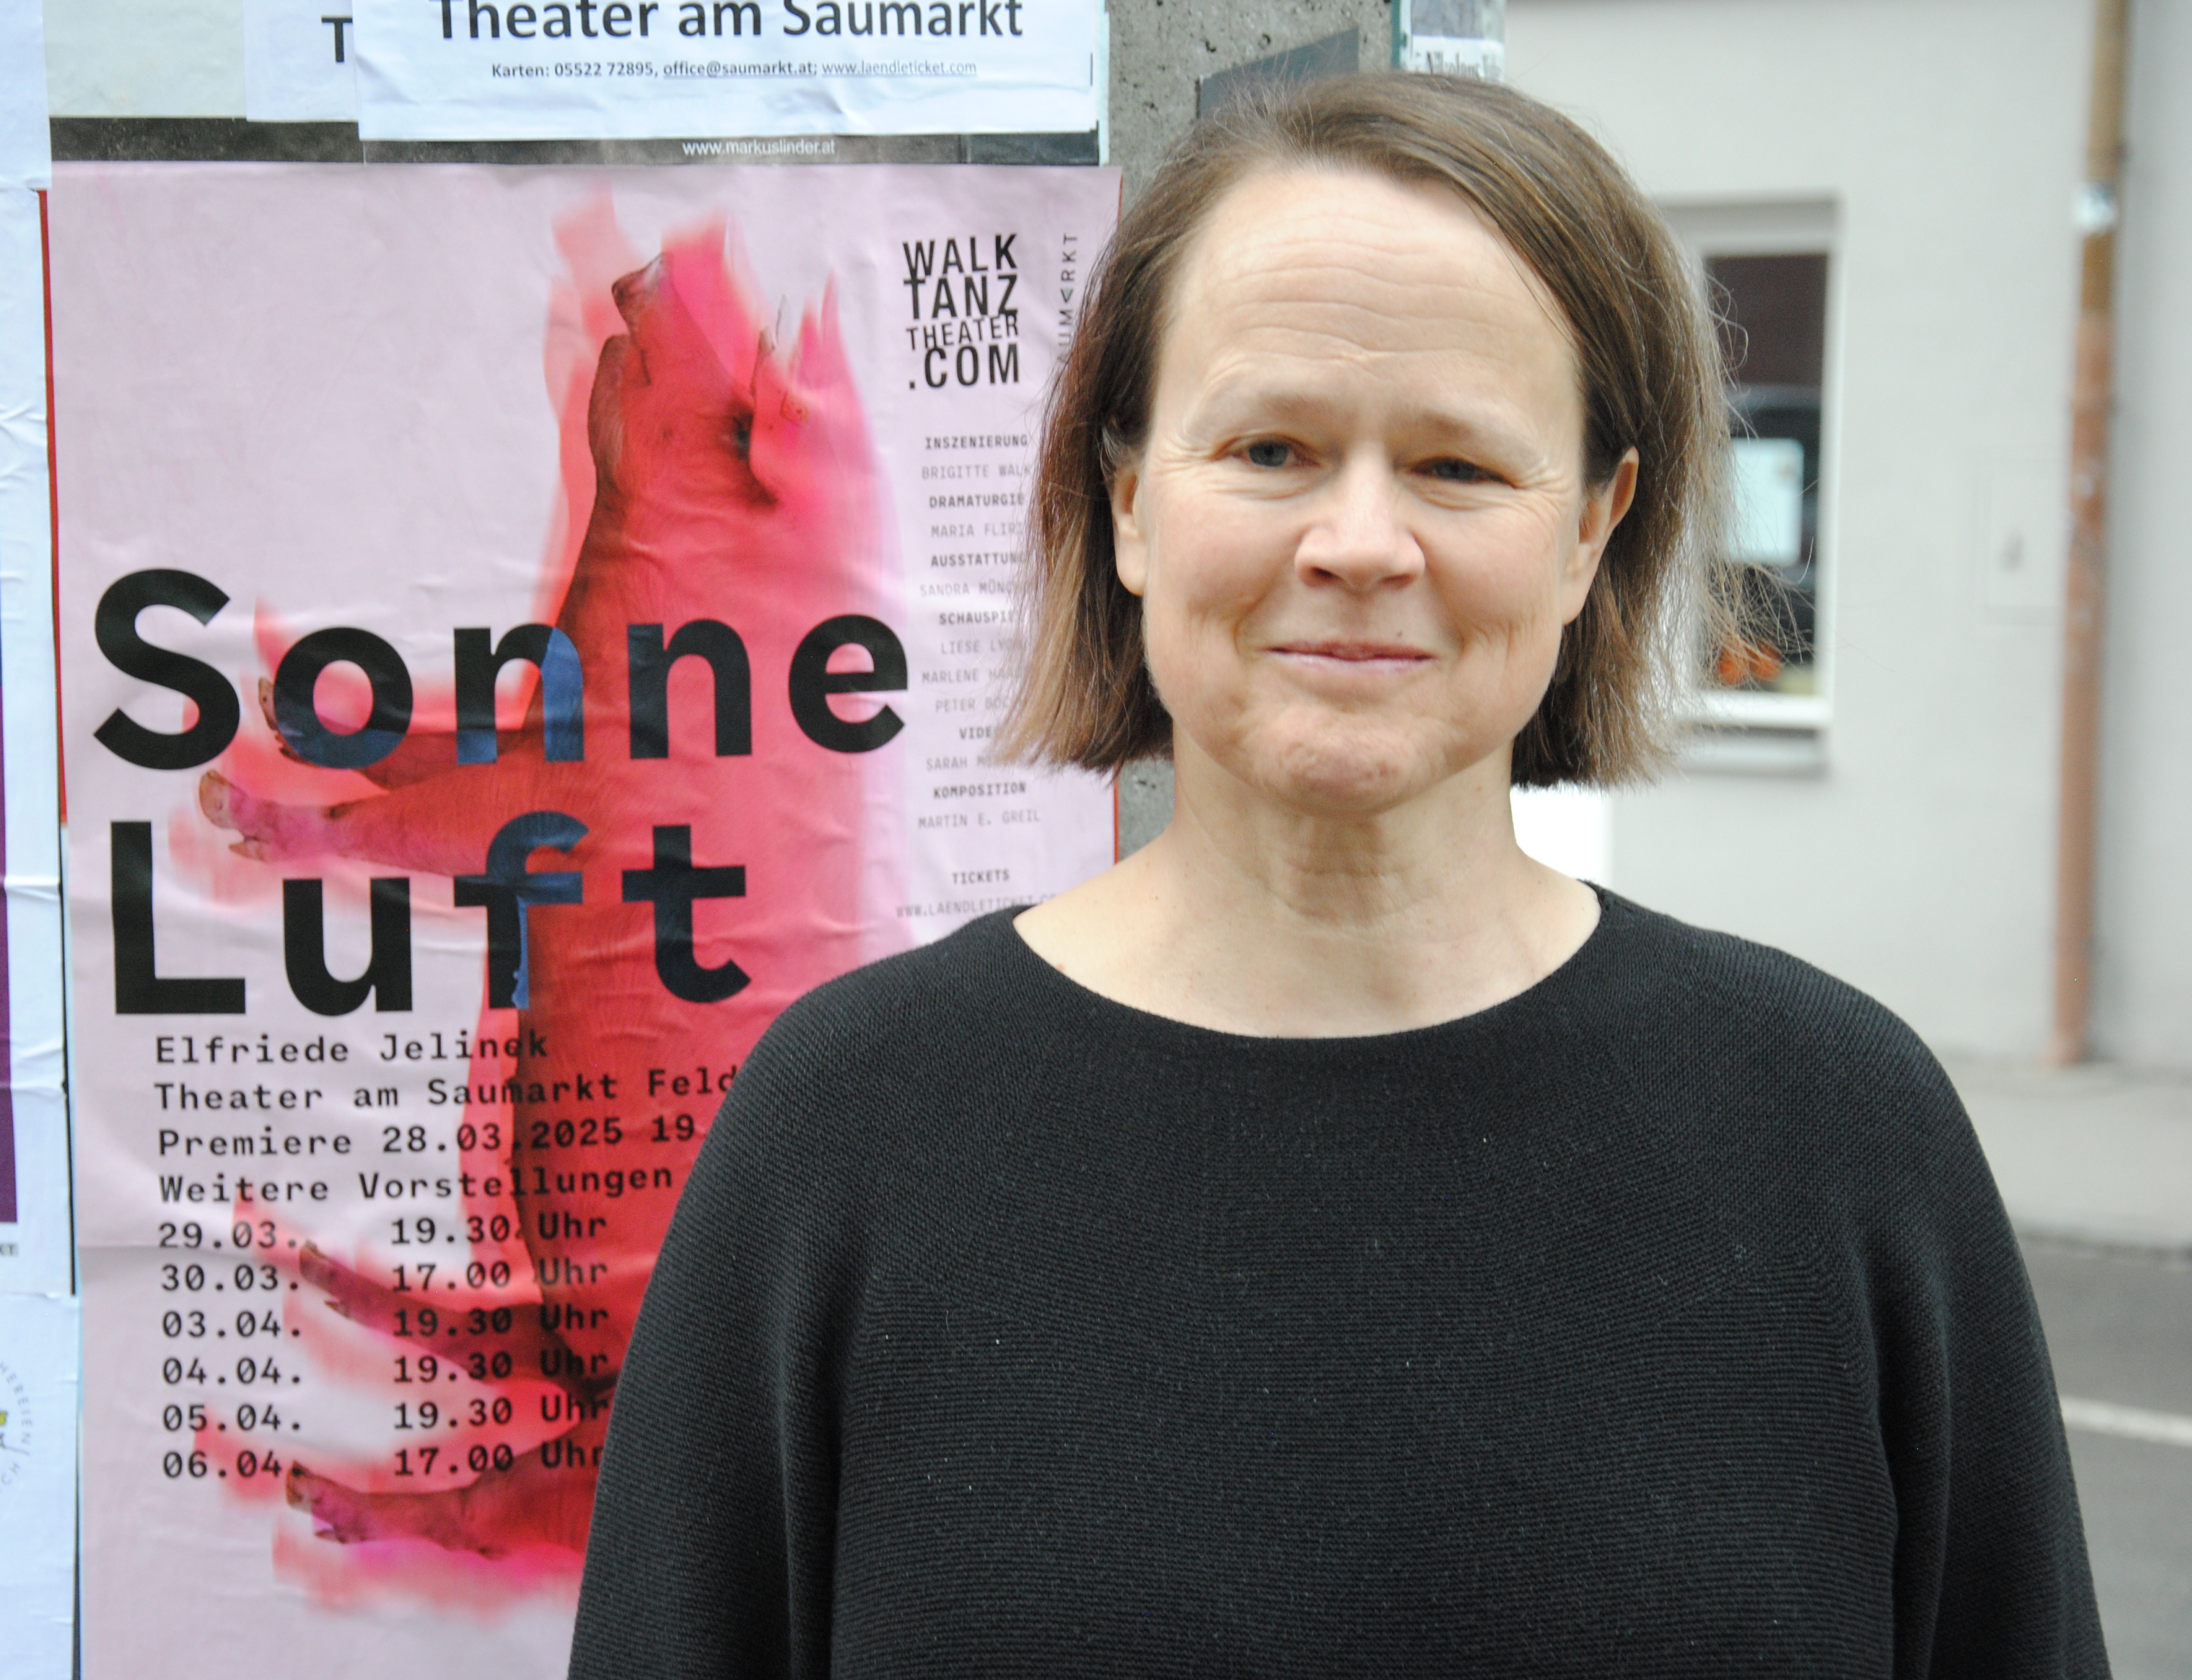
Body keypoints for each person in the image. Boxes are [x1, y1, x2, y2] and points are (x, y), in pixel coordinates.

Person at [568, 73, 2108, 1677]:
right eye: (1271, 447)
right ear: (1128, 500)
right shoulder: (847, 1136)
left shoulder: (1836, 1133)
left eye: (1459, 467)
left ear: (1592, 530)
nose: (1360, 543)